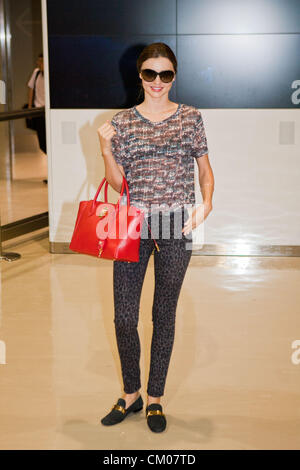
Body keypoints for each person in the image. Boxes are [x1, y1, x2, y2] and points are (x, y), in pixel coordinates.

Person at [97, 42, 214, 433]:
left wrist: (207, 202)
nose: (157, 82)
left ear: (174, 76)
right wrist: (105, 148)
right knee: (124, 318)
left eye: (165, 74)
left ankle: (155, 398)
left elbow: (204, 169)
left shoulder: (191, 118)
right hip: (133, 225)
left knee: (163, 316)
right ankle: (130, 392)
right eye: (150, 74)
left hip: (176, 226)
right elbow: (118, 185)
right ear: (140, 75)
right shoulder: (124, 123)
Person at [27, 52, 47, 184]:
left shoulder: (51, 74)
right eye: (38, 61)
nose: (39, 64)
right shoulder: (36, 73)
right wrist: (29, 108)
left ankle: (52, 172)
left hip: (48, 114)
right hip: (38, 112)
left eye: (41, 62)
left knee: (48, 144)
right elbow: (31, 90)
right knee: (42, 144)